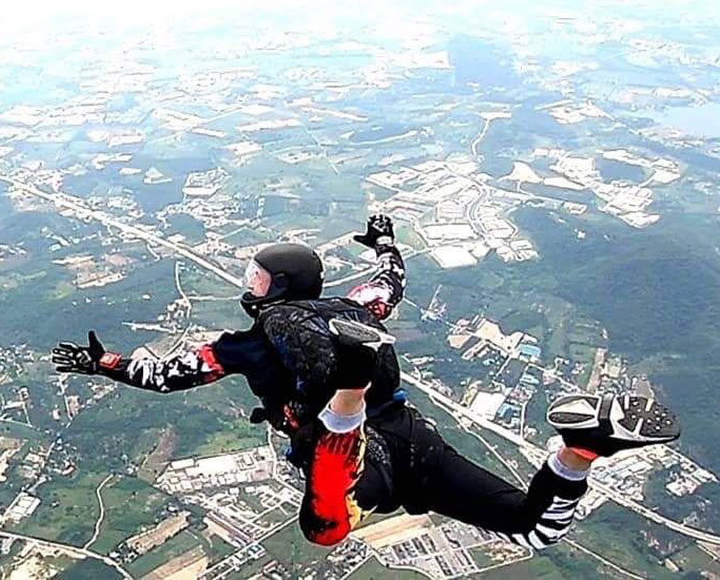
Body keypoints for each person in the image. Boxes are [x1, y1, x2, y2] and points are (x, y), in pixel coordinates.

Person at [52, 215, 681, 548]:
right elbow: (390, 280)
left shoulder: (243, 345)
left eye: (259, 280)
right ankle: (582, 449)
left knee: (325, 529)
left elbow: (166, 375)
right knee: (532, 526)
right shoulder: (356, 308)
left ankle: (345, 406)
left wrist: (102, 363)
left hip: (362, 456)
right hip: (414, 436)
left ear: (278, 288)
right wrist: (385, 242)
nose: (252, 287)